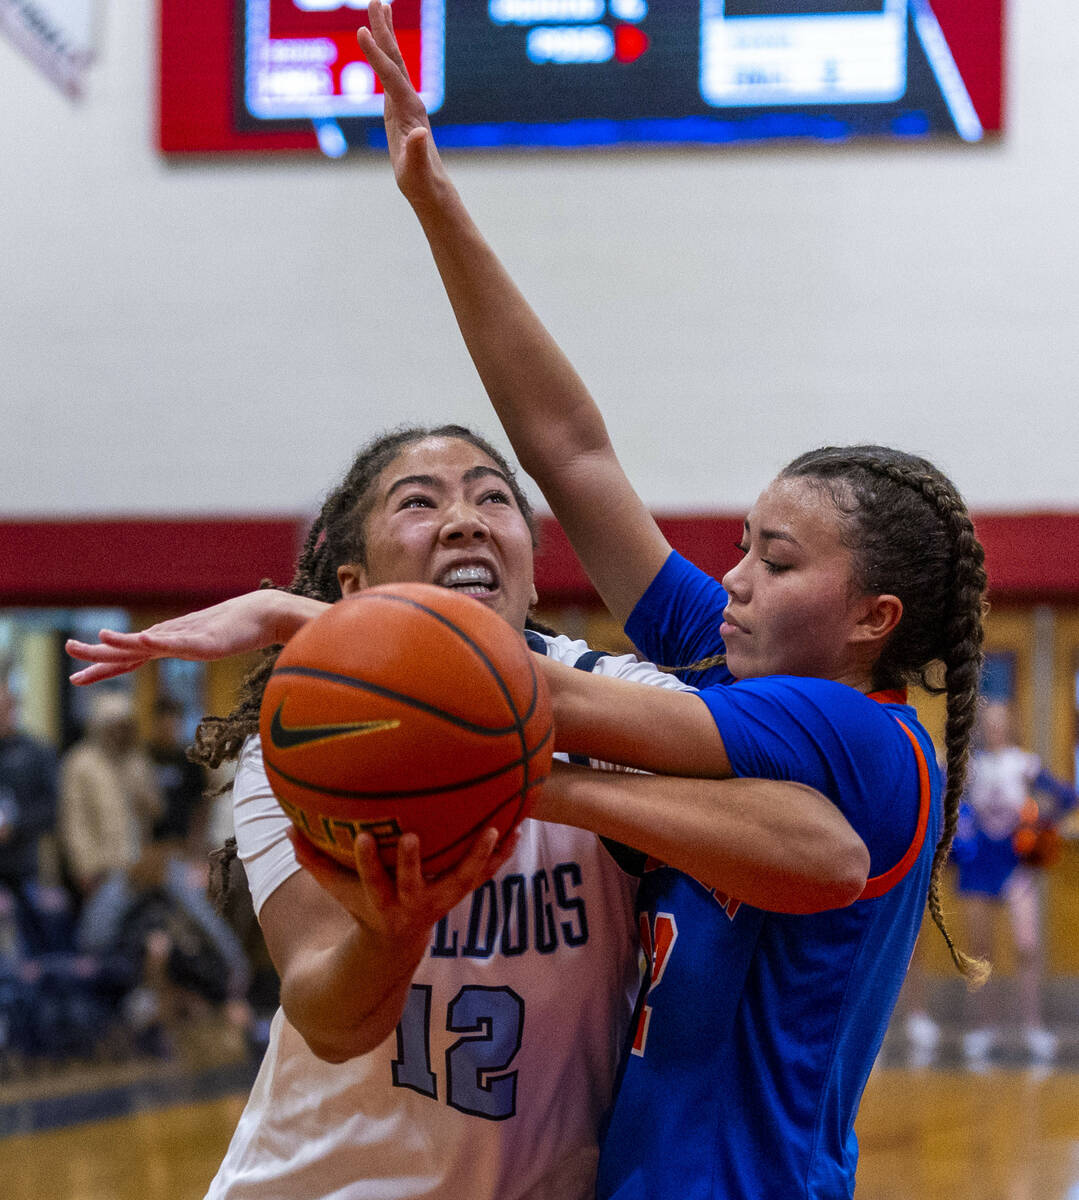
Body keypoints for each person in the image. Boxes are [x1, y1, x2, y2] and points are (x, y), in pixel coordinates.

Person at [351, 5, 989, 1195]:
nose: (732, 580)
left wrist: (300, 627)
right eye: (740, 545)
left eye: (777, 562)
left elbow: (512, 692)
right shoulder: (736, 660)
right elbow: (572, 454)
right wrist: (433, 202)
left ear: (872, 621)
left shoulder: (857, 736)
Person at [67, 424, 867, 1200]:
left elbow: (826, 854)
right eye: (418, 503)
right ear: (352, 586)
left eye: (493, 500)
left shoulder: (617, 700)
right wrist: (393, 930)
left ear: (526, 564)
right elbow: (328, 1017)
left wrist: (525, 777)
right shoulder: (300, 736)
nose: (462, 520)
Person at [950, 699, 1077, 1066]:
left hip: (1015, 861)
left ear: (1011, 724)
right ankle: (983, 1027)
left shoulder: (1024, 763)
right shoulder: (970, 765)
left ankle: (1033, 1026)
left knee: (1026, 944)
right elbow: (944, 794)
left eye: (1001, 721)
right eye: (989, 722)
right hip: (978, 861)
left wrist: (1039, 825)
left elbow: (1067, 796)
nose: (995, 727)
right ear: (981, 726)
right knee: (979, 950)